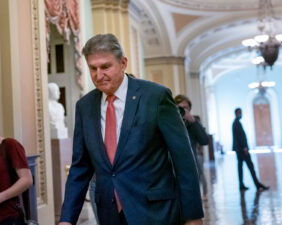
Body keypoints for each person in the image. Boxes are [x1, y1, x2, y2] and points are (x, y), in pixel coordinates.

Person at [59, 34, 203, 225]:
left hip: (155, 211)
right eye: (93, 68)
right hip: (110, 213)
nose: (98, 75)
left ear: (123, 63)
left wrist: (193, 216)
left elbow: (183, 159)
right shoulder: (85, 106)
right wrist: (67, 219)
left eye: (105, 67)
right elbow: (80, 167)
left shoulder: (155, 96)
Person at [174, 95, 209, 199]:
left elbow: (204, 140)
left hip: (190, 166)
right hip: (173, 166)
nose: (183, 110)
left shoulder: (193, 123)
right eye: (180, 108)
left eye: (186, 108)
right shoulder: (169, 122)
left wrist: (193, 122)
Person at [232, 108, 269, 191]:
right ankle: (257, 184)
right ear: (237, 113)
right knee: (250, 167)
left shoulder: (236, 123)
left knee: (241, 167)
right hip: (242, 150)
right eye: (240, 113)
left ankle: (242, 185)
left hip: (239, 150)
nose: (241, 114)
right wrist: (245, 147)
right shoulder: (237, 123)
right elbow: (240, 137)